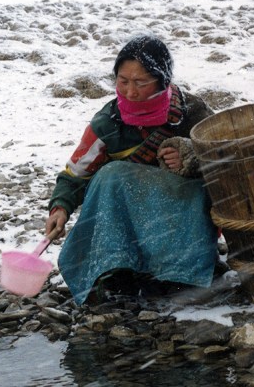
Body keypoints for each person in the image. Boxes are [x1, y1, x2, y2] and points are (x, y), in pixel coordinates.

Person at [45, 34, 217, 305]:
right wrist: (60, 208)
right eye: (122, 82)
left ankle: (179, 272)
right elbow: (76, 172)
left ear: (162, 82)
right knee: (110, 177)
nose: (130, 92)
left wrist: (191, 155)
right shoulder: (108, 122)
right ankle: (117, 270)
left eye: (140, 83)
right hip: (131, 222)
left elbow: (226, 155)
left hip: (179, 220)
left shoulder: (191, 111)